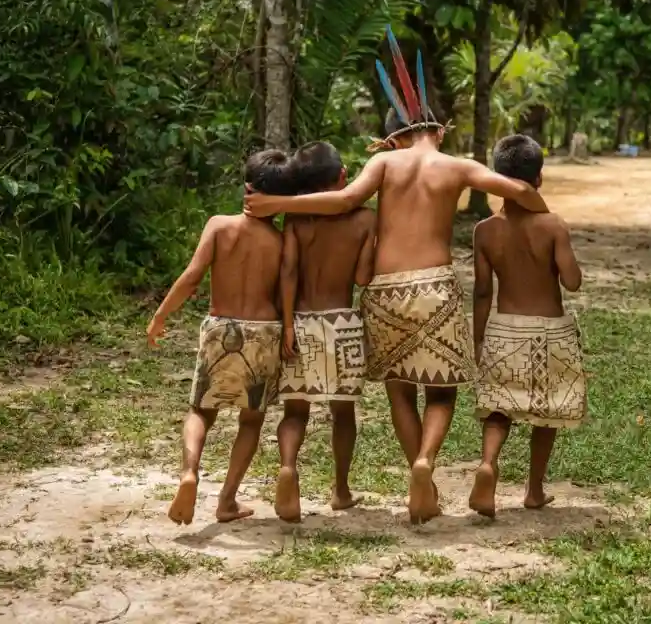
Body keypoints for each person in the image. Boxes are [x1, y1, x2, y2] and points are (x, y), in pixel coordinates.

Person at [243, 28, 549, 524]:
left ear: (396, 134)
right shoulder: (458, 166)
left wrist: (277, 202)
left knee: (399, 390)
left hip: (385, 293)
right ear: (438, 129)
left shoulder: (383, 161)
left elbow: (343, 201)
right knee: (442, 392)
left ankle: (415, 468)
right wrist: (535, 199)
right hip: (435, 287)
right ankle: (427, 461)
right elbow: (522, 193)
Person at [146, 149, 294, 525]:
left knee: (201, 410)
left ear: (247, 188)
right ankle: (227, 499)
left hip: (219, 327)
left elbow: (193, 275)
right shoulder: (280, 242)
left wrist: (161, 314)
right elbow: (285, 294)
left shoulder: (219, 225)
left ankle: (189, 472)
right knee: (251, 420)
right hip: (264, 331)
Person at [467, 134, 586, 519]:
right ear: (539, 179)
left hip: (504, 328)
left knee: (499, 408)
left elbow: (483, 291)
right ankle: (534, 489)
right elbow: (572, 281)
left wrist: (480, 336)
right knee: (546, 413)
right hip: (550, 330)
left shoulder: (484, 230)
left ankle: (488, 464)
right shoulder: (553, 225)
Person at [274, 141, 375, 523]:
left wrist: (286, 323)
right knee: (343, 413)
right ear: (344, 178)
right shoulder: (366, 219)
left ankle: (287, 468)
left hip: (300, 320)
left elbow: (288, 272)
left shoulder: (296, 221)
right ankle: (341, 489)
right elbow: (363, 277)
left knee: (295, 410)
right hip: (343, 325)